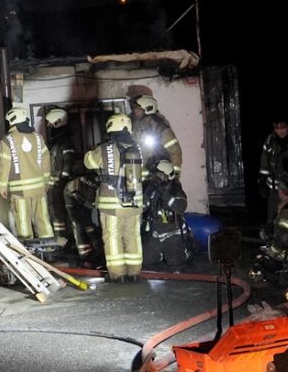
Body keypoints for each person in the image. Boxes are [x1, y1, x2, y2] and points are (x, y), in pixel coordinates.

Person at [83, 113, 145, 282]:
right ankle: (134, 272)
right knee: (133, 235)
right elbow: (143, 174)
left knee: (112, 236)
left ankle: (118, 275)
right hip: (135, 202)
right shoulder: (139, 148)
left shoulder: (105, 148)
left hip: (112, 204)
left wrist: (92, 150)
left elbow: (89, 163)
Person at [0, 106, 55, 242]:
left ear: (11, 121)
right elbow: (46, 161)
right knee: (43, 219)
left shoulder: (8, 140)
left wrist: (2, 187)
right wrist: (46, 182)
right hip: (39, 188)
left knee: (23, 221)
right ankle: (49, 248)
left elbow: (4, 165)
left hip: (20, 191)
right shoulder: (38, 138)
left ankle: (29, 253)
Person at [141, 159, 194, 271]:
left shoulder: (176, 190)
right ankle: (160, 253)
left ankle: (185, 252)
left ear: (167, 176)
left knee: (175, 261)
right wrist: (147, 192)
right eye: (155, 174)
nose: (156, 177)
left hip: (173, 234)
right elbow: (142, 207)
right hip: (156, 234)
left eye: (159, 175)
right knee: (146, 260)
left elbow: (180, 208)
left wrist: (162, 191)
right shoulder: (153, 190)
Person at [44, 107, 80, 245]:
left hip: (60, 185)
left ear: (58, 122)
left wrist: (61, 182)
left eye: (50, 123)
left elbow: (68, 164)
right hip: (55, 185)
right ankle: (60, 241)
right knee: (55, 214)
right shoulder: (58, 141)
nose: (48, 126)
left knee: (59, 215)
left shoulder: (65, 142)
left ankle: (63, 242)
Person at [129, 94, 183, 176]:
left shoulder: (159, 126)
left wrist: (174, 175)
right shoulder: (136, 124)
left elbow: (175, 152)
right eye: (135, 109)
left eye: (139, 109)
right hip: (140, 176)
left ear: (148, 109)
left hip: (158, 175)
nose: (136, 112)